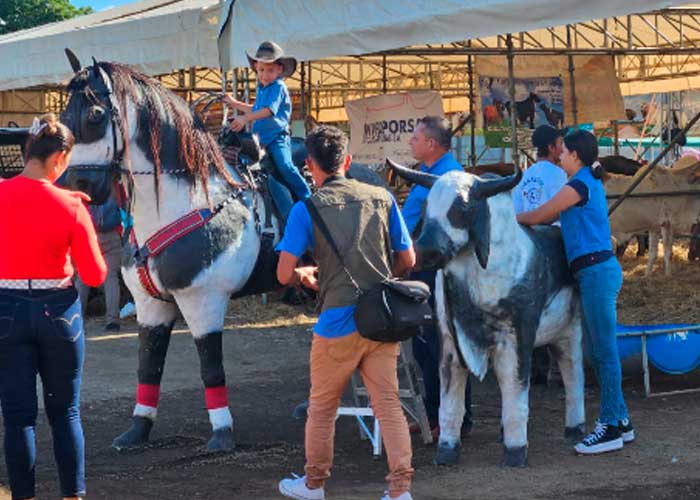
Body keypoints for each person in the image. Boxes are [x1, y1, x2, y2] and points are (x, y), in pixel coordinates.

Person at [276, 126, 415, 500]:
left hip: (336, 322)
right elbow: (408, 259)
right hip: (381, 321)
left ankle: (314, 484)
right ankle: (400, 490)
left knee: (322, 407)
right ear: (348, 161)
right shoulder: (382, 198)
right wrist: (384, 280)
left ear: (309, 166)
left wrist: (306, 275)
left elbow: (284, 273)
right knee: (388, 404)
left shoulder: (306, 209)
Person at [0, 114, 107, 500]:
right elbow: (95, 275)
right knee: (66, 414)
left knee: (17, 418)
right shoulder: (72, 206)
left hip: (6, 308)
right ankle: (72, 496)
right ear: (59, 158)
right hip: (59, 312)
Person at [516, 130, 635, 455]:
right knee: (599, 350)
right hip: (593, 271)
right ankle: (621, 419)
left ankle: (609, 425)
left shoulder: (578, 185)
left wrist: (512, 221)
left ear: (576, 156)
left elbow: (543, 214)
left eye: (564, 152)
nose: (559, 156)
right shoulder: (583, 180)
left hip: (596, 272)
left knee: (603, 351)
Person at [401, 116, 472, 439]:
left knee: (440, 345)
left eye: (415, 138)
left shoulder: (450, 177)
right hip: (422, 266)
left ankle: (451, 417)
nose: (411, 143)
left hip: (438, 270)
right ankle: (435, 413)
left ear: (431, 144)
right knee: (426, 345)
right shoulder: (429, 174)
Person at [512, 124, 568, 385]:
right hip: (555, 246)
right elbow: (564, 213)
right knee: (563, 303)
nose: (562, 147)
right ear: (551, 147)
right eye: (560, 143)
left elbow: (516, 213)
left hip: (528, 247)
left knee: (531, 305)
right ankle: (561, 365)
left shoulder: (525, 176)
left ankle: (535, 365)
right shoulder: (559, 176)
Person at [224, 40, 311, 203]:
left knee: (285, 166)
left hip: (277, 138)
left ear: (279, 69)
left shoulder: (278, 86)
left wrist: (244, 118)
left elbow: (268, 111)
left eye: (270, 70)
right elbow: (256, 109)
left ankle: (307, 197)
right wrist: (234, 103)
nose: (264, 75)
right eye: (261, 70)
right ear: (256, 67)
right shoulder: (262, 87)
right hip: (261, 139)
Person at [76, 193, 122, 332]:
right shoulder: (111, 188)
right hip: (111, 235)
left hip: (87, 234)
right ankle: (112, 321)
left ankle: (77, 318)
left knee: (82, 277)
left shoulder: (83, 185)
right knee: (111, 278)